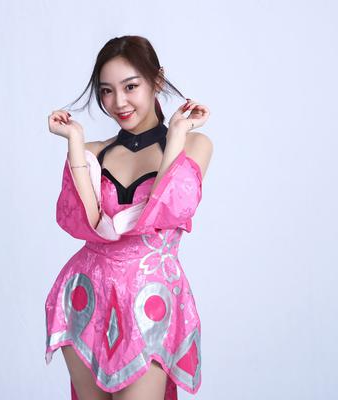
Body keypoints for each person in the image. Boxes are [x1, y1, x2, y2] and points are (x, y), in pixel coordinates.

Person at [44, 35, 213, 400]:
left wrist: (177, 135)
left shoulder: (194, 145)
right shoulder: (94, 152)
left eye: (130, 86)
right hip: (86, 293)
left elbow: (164, 210)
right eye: (106, 91)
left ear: (157, 80)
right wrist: (74, 140)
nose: (118, 102)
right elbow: (88, 223)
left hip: (151, 299)